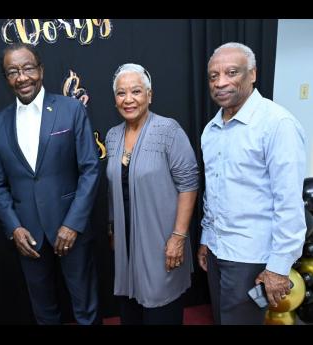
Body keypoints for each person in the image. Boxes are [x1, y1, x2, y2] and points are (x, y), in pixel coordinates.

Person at [0, 43, 100, 325]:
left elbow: (89, 169)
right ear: (6, 78)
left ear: (41, 70)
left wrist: (73, 223)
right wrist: (14, 228)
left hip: (71, 229)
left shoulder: (71, 109)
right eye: (12, 72)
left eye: (27, 68)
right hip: (28, 235)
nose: (22, 77)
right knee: (44, 311)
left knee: (85, 307)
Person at [198, 42, 307, 325]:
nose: (220, 82)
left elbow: (288, 202)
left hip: (252, 257)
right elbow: (213, 192)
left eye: (231, 72)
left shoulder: (277, 124)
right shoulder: (211, 130)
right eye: (213, 76)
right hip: (217, 252)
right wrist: (206, 240)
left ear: (253, 74)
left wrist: (279, 268)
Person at [105, 63, 199, 324]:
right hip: (125, 243)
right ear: (115, 100)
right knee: (130, 312)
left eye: (136, 91)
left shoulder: (168, 130)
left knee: (161, 311)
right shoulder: (113, 136)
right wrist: (112, 227)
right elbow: (114, 187)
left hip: (162, 242)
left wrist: (178, 237)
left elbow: (189, 184)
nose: (128, 99)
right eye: (121, 93)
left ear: (149, 95)